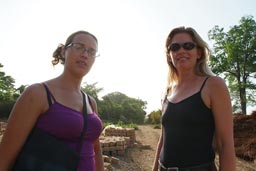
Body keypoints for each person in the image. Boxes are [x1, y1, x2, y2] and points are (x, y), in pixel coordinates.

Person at [0, 30, 104, 171]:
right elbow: (5, 157)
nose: (85, 54)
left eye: (91, 52)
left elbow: (95, 149)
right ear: (63, 51)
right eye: (79, 47)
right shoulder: (38, 94)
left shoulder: (90, 102)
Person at [152, 26, 236, 171]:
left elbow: (225, 144)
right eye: (174, 47)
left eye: (188, 46)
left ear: (198, 52)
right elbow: (163, 139)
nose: (181, 51)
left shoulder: (213, 85)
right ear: (170, 56)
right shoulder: (167, 91)